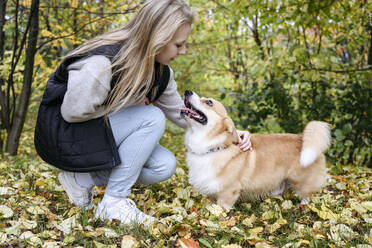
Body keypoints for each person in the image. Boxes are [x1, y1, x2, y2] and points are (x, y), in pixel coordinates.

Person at [34, 0, 252, 226]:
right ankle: (114, 203)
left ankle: (82, 178)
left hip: (93, 134)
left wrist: (232, 132)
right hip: (63, 137)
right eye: (178, 45)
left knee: (164, 166)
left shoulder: (160, 72)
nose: (183, 51)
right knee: (151, 116)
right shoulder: (102, 61)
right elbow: (72, 112)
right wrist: (128, 104)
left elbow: (181, 114)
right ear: (158, 37)